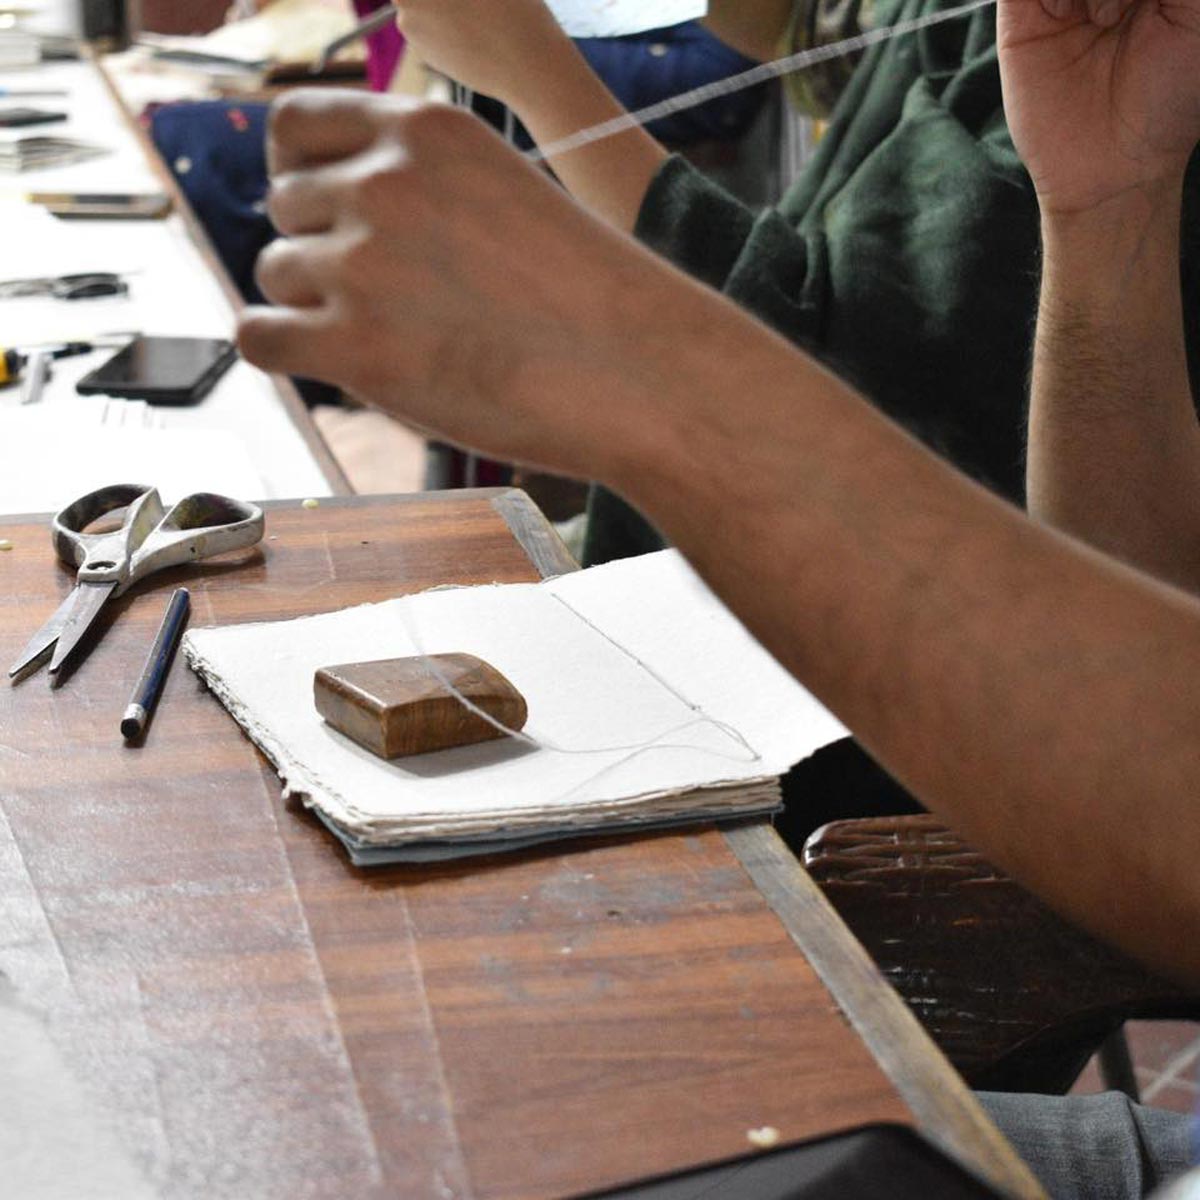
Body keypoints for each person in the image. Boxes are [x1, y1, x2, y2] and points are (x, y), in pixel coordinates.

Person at [236, 0, 1200, 1190]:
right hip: (763, 650)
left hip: (834, 741)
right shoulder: (1080, 79)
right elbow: (1129, 721)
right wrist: (1109, 212)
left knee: (415, 1101)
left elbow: (876, 374)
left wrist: (636, 345)